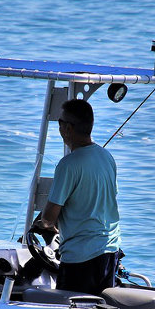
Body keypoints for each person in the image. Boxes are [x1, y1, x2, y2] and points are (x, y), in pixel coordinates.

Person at [34, 99, 121, 295]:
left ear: (68, 128)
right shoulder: (107, 157)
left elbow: (48, 218)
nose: (59, 127)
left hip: (81, 259)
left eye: (59, 122)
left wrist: (43, 225)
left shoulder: (68, 165)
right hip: (109, 251)